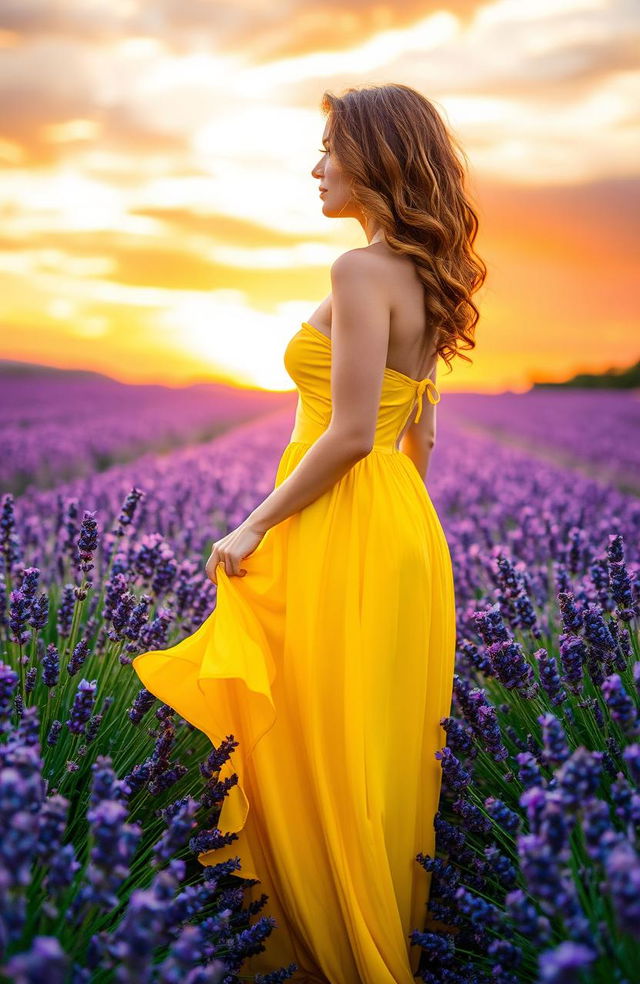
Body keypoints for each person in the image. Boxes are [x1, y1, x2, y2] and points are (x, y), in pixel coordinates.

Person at [132, 82, 486, 984]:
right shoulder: (428, 276)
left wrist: (252, 524)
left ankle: (341, 958)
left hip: (340, 519)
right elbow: (423, 437)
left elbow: (353, 431)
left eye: (330, 149)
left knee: (315, 745)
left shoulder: (360, 270)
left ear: (375, 158)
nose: (316, 167)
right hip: (402, 524)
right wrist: (397, 539)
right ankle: (376, 942)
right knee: (369, 750)